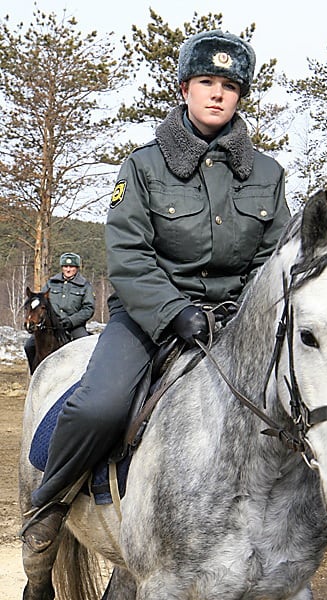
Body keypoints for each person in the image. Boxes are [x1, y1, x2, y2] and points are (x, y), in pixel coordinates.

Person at [21, 29, 291, 553]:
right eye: (206, 82)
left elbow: (272, 257)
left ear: (240, 96)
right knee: (99, 406)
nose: (218, 94)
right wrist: (173, 312)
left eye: (230, 86)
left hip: (236, 321)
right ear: (185, 88)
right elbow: (128, 254)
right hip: (149, 318)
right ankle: (51, 503)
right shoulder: (143, 166)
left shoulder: (268, 174)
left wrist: (245, 312)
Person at [24, 252, 95, 372]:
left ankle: (85, 376)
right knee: (29, 346)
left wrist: (71, 321)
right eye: (65, 266)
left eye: (72, 267)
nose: (68, 269)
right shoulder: (51, 283)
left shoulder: (85, 286)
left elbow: (89, 309)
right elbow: (42, 302)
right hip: (52, 325)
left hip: (74, 326)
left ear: (77, 268)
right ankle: (35, 375)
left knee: (86, 347)